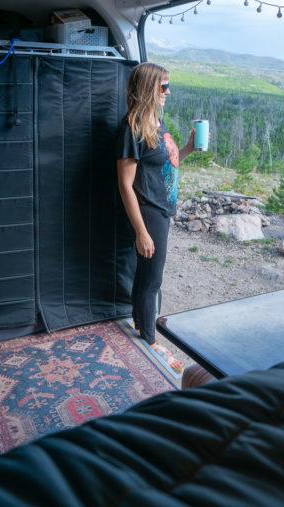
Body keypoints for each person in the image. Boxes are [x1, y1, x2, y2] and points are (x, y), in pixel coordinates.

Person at [116, 62, 195, 371]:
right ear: (149, 88)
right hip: (148, 212)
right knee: (152, 279)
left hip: (160, 210)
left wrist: (187, 149)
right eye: (163, 87)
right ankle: (150, 342)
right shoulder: (132, 127)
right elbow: (124, 184)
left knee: (147, 277)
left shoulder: (155, 124)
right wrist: (141, 231)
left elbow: (164, 164)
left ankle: (140, 325)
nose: (168, 92)